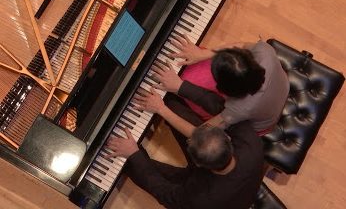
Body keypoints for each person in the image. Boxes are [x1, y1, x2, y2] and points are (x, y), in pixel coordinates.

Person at [106, 88, 264, 209]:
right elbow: (225, 108)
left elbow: (164, 193)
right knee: (174, 108)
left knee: (132, 162)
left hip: (214, 198)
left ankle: (125, 151)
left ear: (198, 164)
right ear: (227, 138)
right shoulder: (252, 145)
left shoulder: (199, 198)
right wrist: (180, 86)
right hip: (227, 184)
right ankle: (160, 98)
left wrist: (134, 154)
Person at [150, 35, 290, 134]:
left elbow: (201, 134)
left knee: (187, 84)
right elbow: (241, 45)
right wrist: (203, 53)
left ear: (224, 91)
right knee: (195, 70)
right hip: (280, 89)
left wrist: (162, 109)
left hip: (260, 123)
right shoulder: (266, 52)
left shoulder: (239, 109)